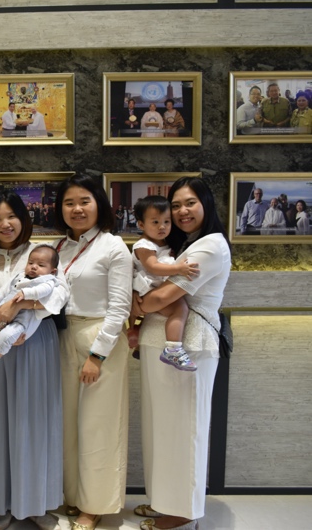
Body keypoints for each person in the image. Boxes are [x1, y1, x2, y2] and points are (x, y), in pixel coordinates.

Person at [134, 177, 231, 530]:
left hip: (189, 346)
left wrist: (140, 303)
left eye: (189, 203)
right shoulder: (183, 244)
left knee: (184, 428)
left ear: (206, 203)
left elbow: (160, 298)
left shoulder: (210, 246)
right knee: (161, 428)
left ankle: (183, 512)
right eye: (175, 205)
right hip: (160, 344)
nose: (181, 211)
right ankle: (164, 500)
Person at [0, 191, 66, 530]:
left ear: (24, 220)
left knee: (33, 422)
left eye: (11, 216)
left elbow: (58, 299)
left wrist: (19, 305)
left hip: (36, 344)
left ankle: (35, 501)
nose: (5, 224)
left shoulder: (44, 255)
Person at [54, 173, 132, 530]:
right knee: (69, 424)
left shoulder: (113, 247)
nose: (77, 209)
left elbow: (120, 308)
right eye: (69, 202)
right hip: (63, 336)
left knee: (98, 426)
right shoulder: (59, 248)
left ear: (99, 204)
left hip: (100, 339)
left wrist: (97, 355)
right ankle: (73, 495)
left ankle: (95, 505)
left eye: (84, 201)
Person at [126, 196, 199, 369]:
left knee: (176, 309)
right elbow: (153, 267)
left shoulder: (162, 243)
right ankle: (173, 348)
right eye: (156, 222)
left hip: (154, 288)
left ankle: (136, 334)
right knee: (179, 309)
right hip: (148, 290)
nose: (162, 226)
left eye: (167, 221)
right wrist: (178, 269)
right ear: (141, 225)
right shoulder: (143, 245)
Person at [0, 245, 63, 373]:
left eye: (40, 265)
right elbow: (5, 288)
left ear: (52, 271)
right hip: (0, 309)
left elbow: (44, 291)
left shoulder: (48, 281)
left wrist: (26, 295)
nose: (34, 267)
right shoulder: (20, 275)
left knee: (7, 336)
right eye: (30, 263)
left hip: (22, 320)